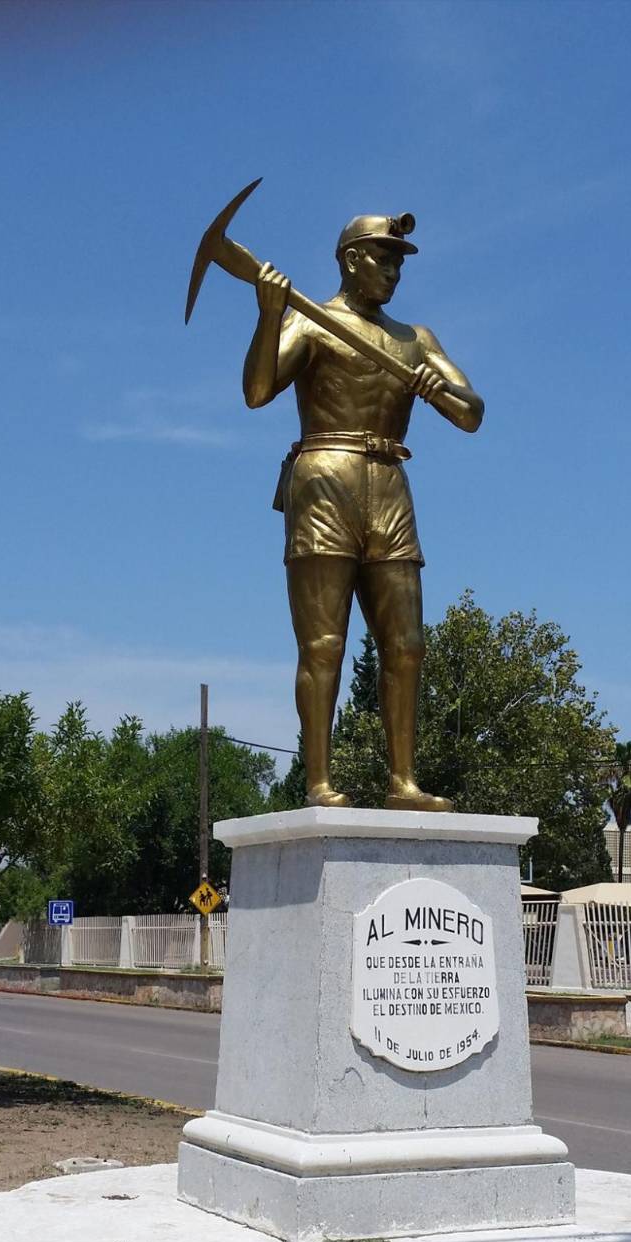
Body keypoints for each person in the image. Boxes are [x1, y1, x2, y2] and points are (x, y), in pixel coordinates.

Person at [242, 212, 484, 810]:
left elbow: (472, 413)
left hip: (390, 480)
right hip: (325, 474)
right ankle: (318, 781)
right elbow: (256, 391)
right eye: (384, 257)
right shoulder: (313, 321)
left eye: (400, 260)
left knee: (406, 644)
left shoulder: (415, 340)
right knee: (324, 644)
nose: (395, 271)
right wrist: (270, 314)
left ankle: (403, 781)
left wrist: (441, 389)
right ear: (351, 259)